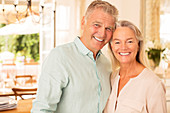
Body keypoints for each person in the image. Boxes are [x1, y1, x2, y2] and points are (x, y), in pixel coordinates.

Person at [31, 1, 118, 113]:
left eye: (108, 29)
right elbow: (42, 109)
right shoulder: (60, 57)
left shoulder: (106, 64)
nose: (102, 33)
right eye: (97, 25)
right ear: (83, 23)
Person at [104, 20, 167, 113]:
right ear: (111, 46)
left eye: (129, 41)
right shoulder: (111, 78)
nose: (123, 47)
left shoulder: (153, 84)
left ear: (138, 45)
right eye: (117, 42)